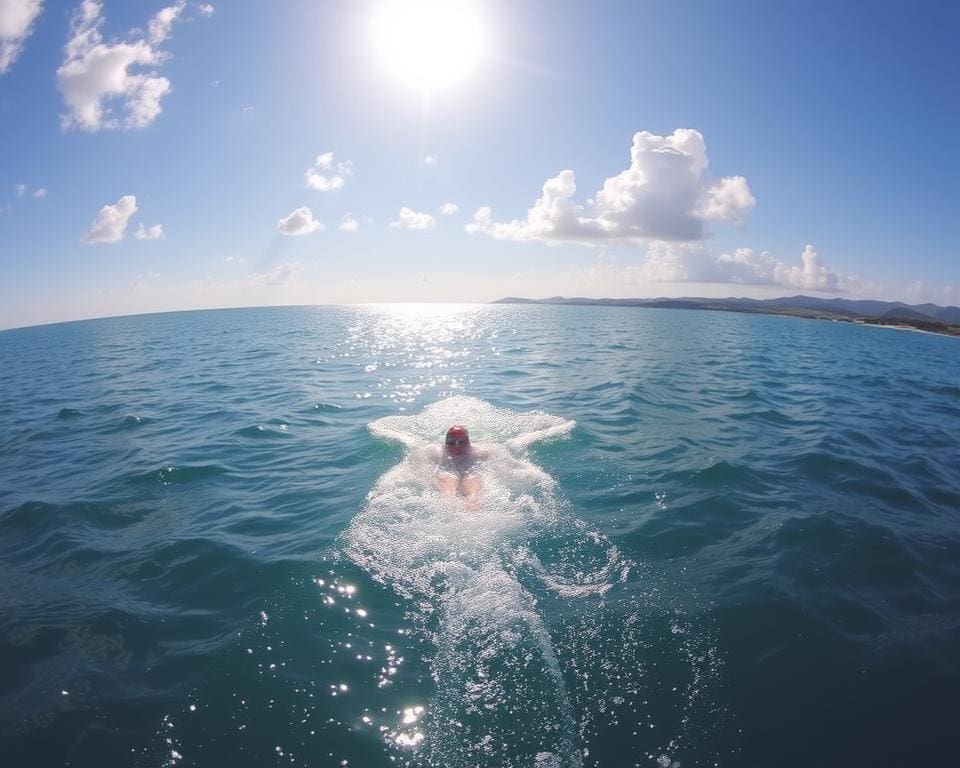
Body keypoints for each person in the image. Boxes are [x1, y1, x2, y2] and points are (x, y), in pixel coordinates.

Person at [435, 425, 488, 505]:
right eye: (451, 443)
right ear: (446, 443)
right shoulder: (437, 453)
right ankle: (448, 499)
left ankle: (473, 500)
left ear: (468, 443)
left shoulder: (479, 452)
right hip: (448, 470)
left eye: (461, 442)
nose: (457, 446)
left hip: (470, 470)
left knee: (472, 477)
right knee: (448, 477)